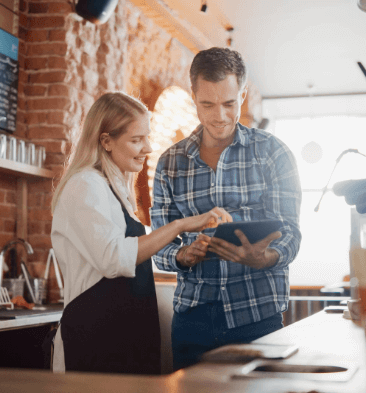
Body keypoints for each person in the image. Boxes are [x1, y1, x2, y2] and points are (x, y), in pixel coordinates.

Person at [50, 92, 232, 374]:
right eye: (136, 140)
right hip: (94, 341)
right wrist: (181, 225)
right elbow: (114, 259)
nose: (147, 147)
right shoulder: (85, 185)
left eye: (146, 137)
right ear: (106, 141)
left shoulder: (115, 188)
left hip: (124, 336)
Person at [150, 47, 303, 370]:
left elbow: (290, 232)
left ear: (242, 94)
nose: (219, 115)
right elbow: (159, 243)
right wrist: (181, 255)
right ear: (193, 96)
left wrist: (266, 257)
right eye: (207, 104)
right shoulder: (170, 164)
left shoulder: (273, 153)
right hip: (192, 321)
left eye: (229, 103)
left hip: (258, 317)